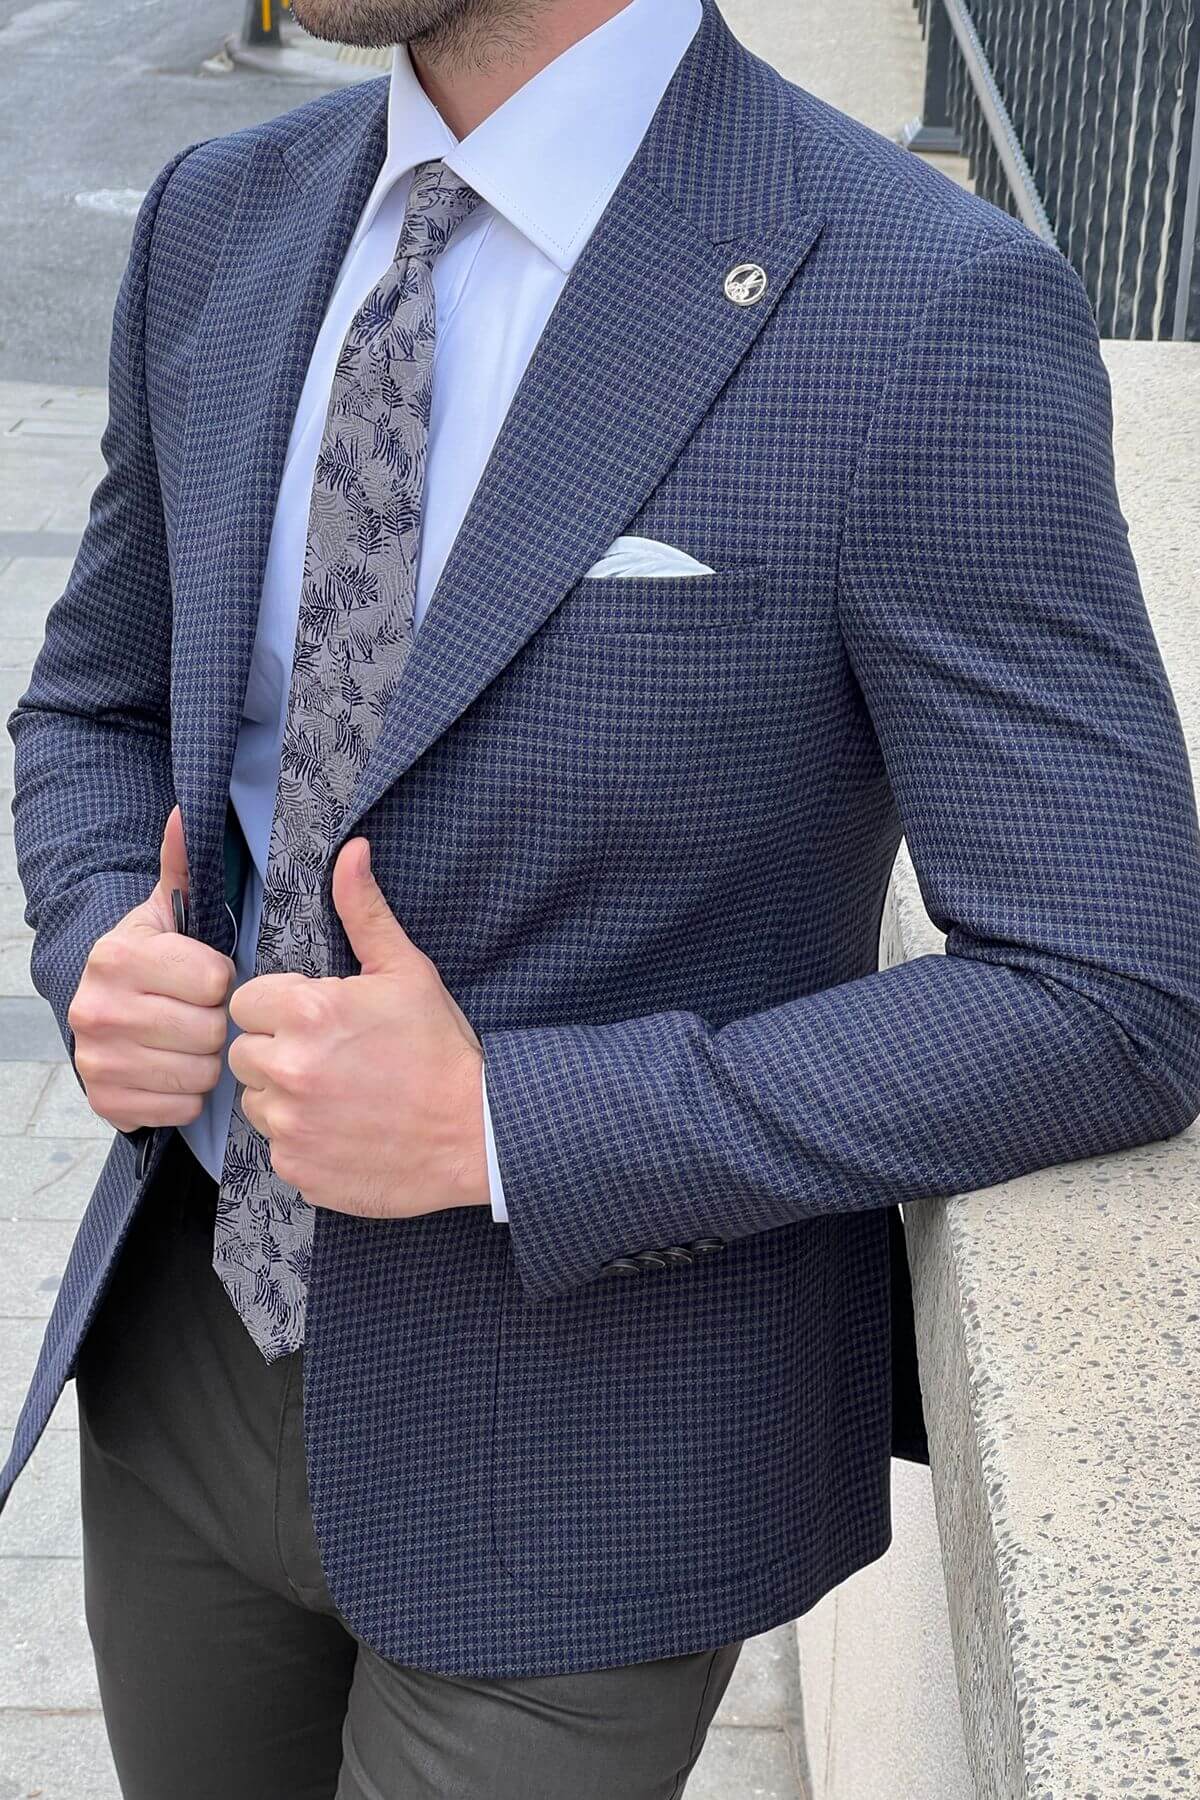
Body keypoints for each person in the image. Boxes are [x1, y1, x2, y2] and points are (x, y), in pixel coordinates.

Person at [4, 0, 1200, 1792]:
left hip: (589, 1444)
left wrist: (508, 1124)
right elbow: (95, 701)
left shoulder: (919, 297)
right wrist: (104, 926)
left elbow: (1112, 990)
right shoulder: (218, 218)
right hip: (181, 1355)